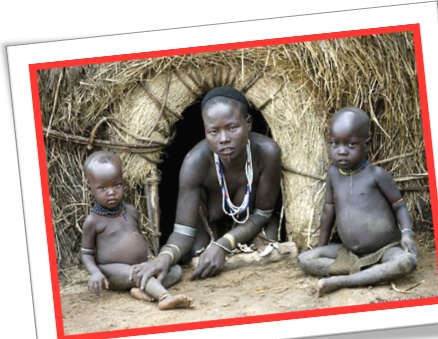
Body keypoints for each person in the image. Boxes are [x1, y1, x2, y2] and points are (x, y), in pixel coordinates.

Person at [130, 86, 282, 290]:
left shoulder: (267, 152)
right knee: (195, 253)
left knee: (271, 241)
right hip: (210, 227)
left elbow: (263, 213)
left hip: (253, 222)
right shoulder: (195, 162)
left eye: (232, 128)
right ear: (205, 131)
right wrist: (163, 258)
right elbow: (183, 230)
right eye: (213, 131)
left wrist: (225, 244)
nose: (223, 138)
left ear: (248, 123)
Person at [297, 106, 419, 297]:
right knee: (305, 259)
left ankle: (342, 280)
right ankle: (367, 274)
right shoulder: (333, 174)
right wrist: (321, 246)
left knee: (406, 262)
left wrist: (407, 235)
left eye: (351, 145)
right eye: (335, 144)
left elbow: (400, 206)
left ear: (366, 144)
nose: (342, 151)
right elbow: (328, 213)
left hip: (385, 250)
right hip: (349, 252)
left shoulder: (376, 175)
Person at [81, 150, 194, 309]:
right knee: (138, 274)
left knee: (175, 269)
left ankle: (142, 290)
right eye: (103, 188)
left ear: (123, 182)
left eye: (117, 185)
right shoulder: (93, 221)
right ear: (89, 188)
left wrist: (150, 257)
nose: (112, 192)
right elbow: (86, 253)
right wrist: (95, 273)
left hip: (141, 264)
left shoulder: (131, 211)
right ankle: (164, 297)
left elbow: (139, 237)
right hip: (113, 270)